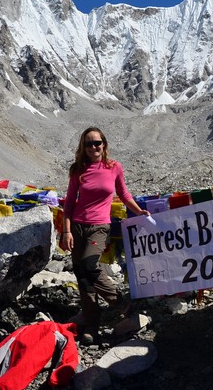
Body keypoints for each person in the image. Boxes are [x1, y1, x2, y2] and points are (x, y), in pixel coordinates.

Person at [61, 127, 150, 345]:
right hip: (78, 226)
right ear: (84, 147)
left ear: (104, 144)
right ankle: (92, 326)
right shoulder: (78, 170)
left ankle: (123, 305)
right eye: (89, 144)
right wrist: (66, 230)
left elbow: (124, 194)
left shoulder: (114, 167)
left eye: (97, 143)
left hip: (99, 226)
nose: (94, 147)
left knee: (90, 266)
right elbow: (70, 202)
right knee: (83, 277)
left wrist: (138, 211)